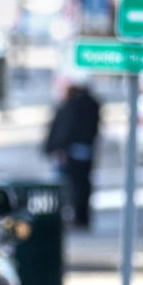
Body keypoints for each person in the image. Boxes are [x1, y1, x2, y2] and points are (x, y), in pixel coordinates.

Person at [44, 75, 100, 229]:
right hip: (81, 150)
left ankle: (77, 216)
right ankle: (80, 216)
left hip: (72, 152)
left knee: (74, 186)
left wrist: (55, 146)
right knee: (80, 185)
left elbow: (65, 129)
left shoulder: (74, 106)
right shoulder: (90, 104)